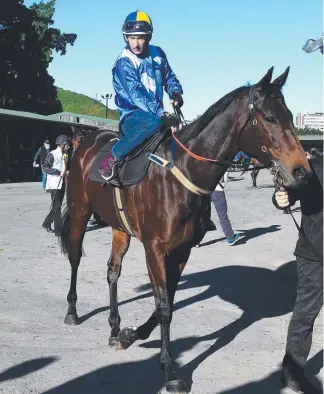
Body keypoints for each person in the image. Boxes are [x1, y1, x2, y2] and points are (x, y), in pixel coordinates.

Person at [99, 10, 183, 183]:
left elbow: (169, 76)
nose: (135, 43)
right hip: (132, 115)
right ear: (126, 38)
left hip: (155, 113)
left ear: (149, 37)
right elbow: (138, 94)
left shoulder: (158, 53)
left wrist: (175, 92)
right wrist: (162, 113)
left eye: (140, 38)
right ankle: (111, 158)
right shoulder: (124, 61)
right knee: (153, 122)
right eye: (131, 38)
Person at [273, 152, 323, 393]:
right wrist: (281, 198)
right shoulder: (312, 168)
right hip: (314, 255)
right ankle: (292, 372)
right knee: (305, 314)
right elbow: (288, 194)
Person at [197, 172, 241, 247]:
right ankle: (230, 237)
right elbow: (225, 179)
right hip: (218, 191)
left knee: (202, 215)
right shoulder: (223, 167)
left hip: (205, 190)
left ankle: (197, 240)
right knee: (222, 215)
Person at [42, 135, 70, 236]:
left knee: (56, 206)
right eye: (67, 144)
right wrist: (58, 172)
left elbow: (65, 166)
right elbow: (45, 167)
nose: (68, 147)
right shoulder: (52, 154)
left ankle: (46, 223)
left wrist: (67, 172)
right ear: (62, 144)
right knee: (57, 207)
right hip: (54, 184)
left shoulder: (65, 154)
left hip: (62, 183)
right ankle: (58, 230)